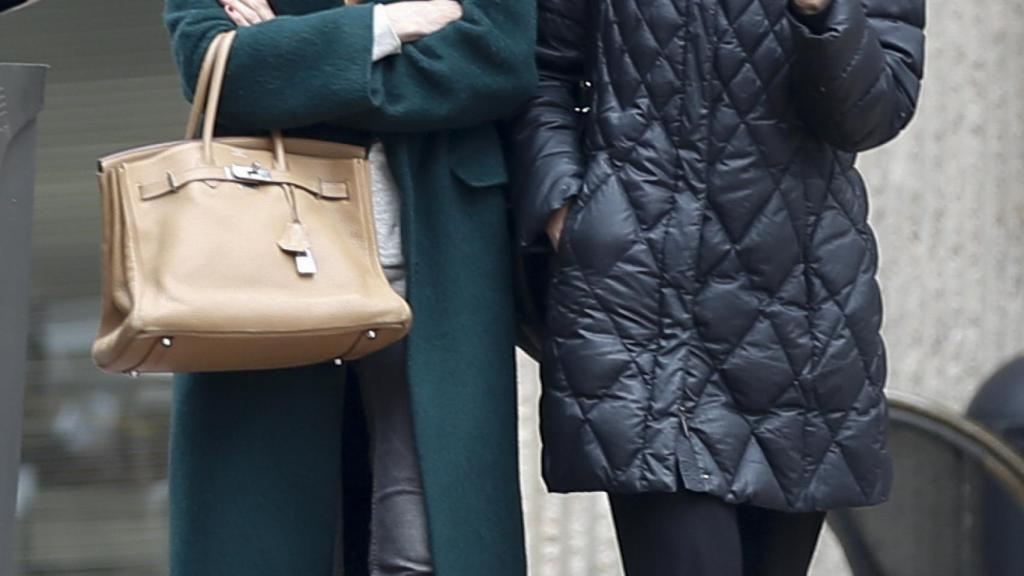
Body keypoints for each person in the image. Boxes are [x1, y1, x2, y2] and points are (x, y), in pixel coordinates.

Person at [514, 0, 925, 574]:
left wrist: (823, 13)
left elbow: (872, 114)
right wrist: (569, 211)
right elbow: (541, 73)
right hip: (642, 303)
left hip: (799, 314)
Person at [163, 0, 536, 575]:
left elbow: (498, 60)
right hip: (265, 260)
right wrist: (386, 27)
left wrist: (300, 56)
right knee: (271, 529)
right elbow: (215, 68)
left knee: (430, 540)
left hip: (440, 247)